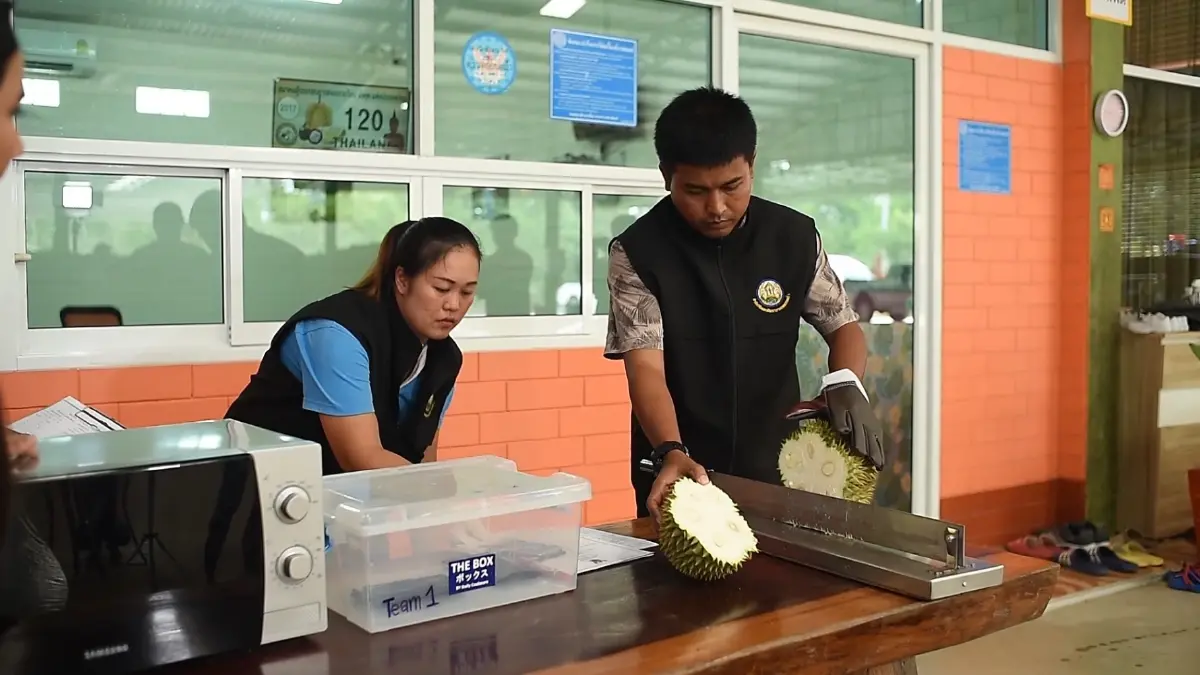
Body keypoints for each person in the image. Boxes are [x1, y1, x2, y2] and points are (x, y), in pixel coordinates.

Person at [604, 87, 886, 520]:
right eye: (695, 191)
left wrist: (846, 381)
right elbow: (644, 367)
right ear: (666, 175)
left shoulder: (792, 237)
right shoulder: (638, 252)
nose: (716, 207)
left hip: (779, 466)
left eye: (731, 186)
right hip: (682, 468)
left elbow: (841, 323)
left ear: (751, 166)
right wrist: (670, 449)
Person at [225, 217, 482, 475]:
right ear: (402, 280)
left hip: (337, 494)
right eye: (441, 288)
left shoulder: (443, 358)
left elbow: (424, 459)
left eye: (467, 292)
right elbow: (361, 459)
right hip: (254, 484)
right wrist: (440, 492)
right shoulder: (336, 334)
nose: (454, 305)